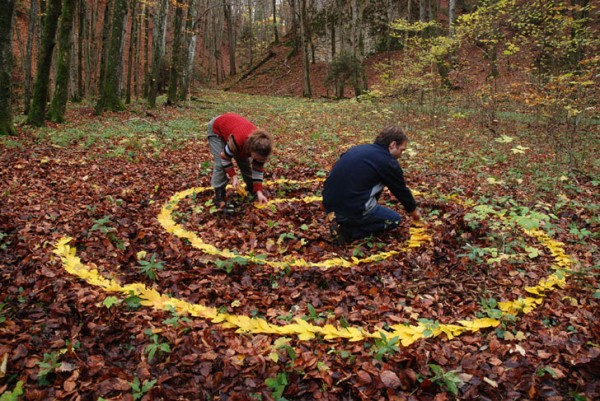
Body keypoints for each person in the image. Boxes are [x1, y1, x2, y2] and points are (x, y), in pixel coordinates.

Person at [322, 125, 420, 244]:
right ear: (393, 145)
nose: (401, 154)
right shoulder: (387, 162)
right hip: (351, 209)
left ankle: (342, 222)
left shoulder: (359, 149)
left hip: (329, 205)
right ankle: (349, 232)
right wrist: (414, 211)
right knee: (394, 220)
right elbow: (400, 190)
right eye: (401, 150)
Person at [206, 113, 272, 210]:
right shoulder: (238, 141)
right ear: (251, 150)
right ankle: (219, 196)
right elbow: (224, 157)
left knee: (245, 163)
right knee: (220, 165)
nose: (258, 161)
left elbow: (257, 169)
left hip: (235, 130)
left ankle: (252, 191)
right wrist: (234, 176)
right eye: (257, 158)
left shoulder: (262, 147)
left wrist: (259, 192)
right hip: (217, 128)